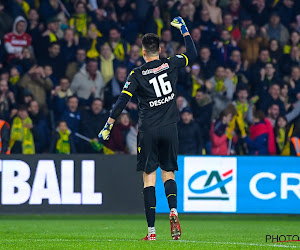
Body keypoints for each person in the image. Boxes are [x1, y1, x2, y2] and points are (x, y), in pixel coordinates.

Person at [98, 17, 197, 241]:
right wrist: (183, 29)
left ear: (144, 52)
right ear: (159, 50)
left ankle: (151, 232)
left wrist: (109, 125)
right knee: (168, 173)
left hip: (148, 131)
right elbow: (193, 53)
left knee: (148, 178)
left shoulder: (137, 74)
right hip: (170, 128)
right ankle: (173, 210)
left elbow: (122, 101)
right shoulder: (171, 63)